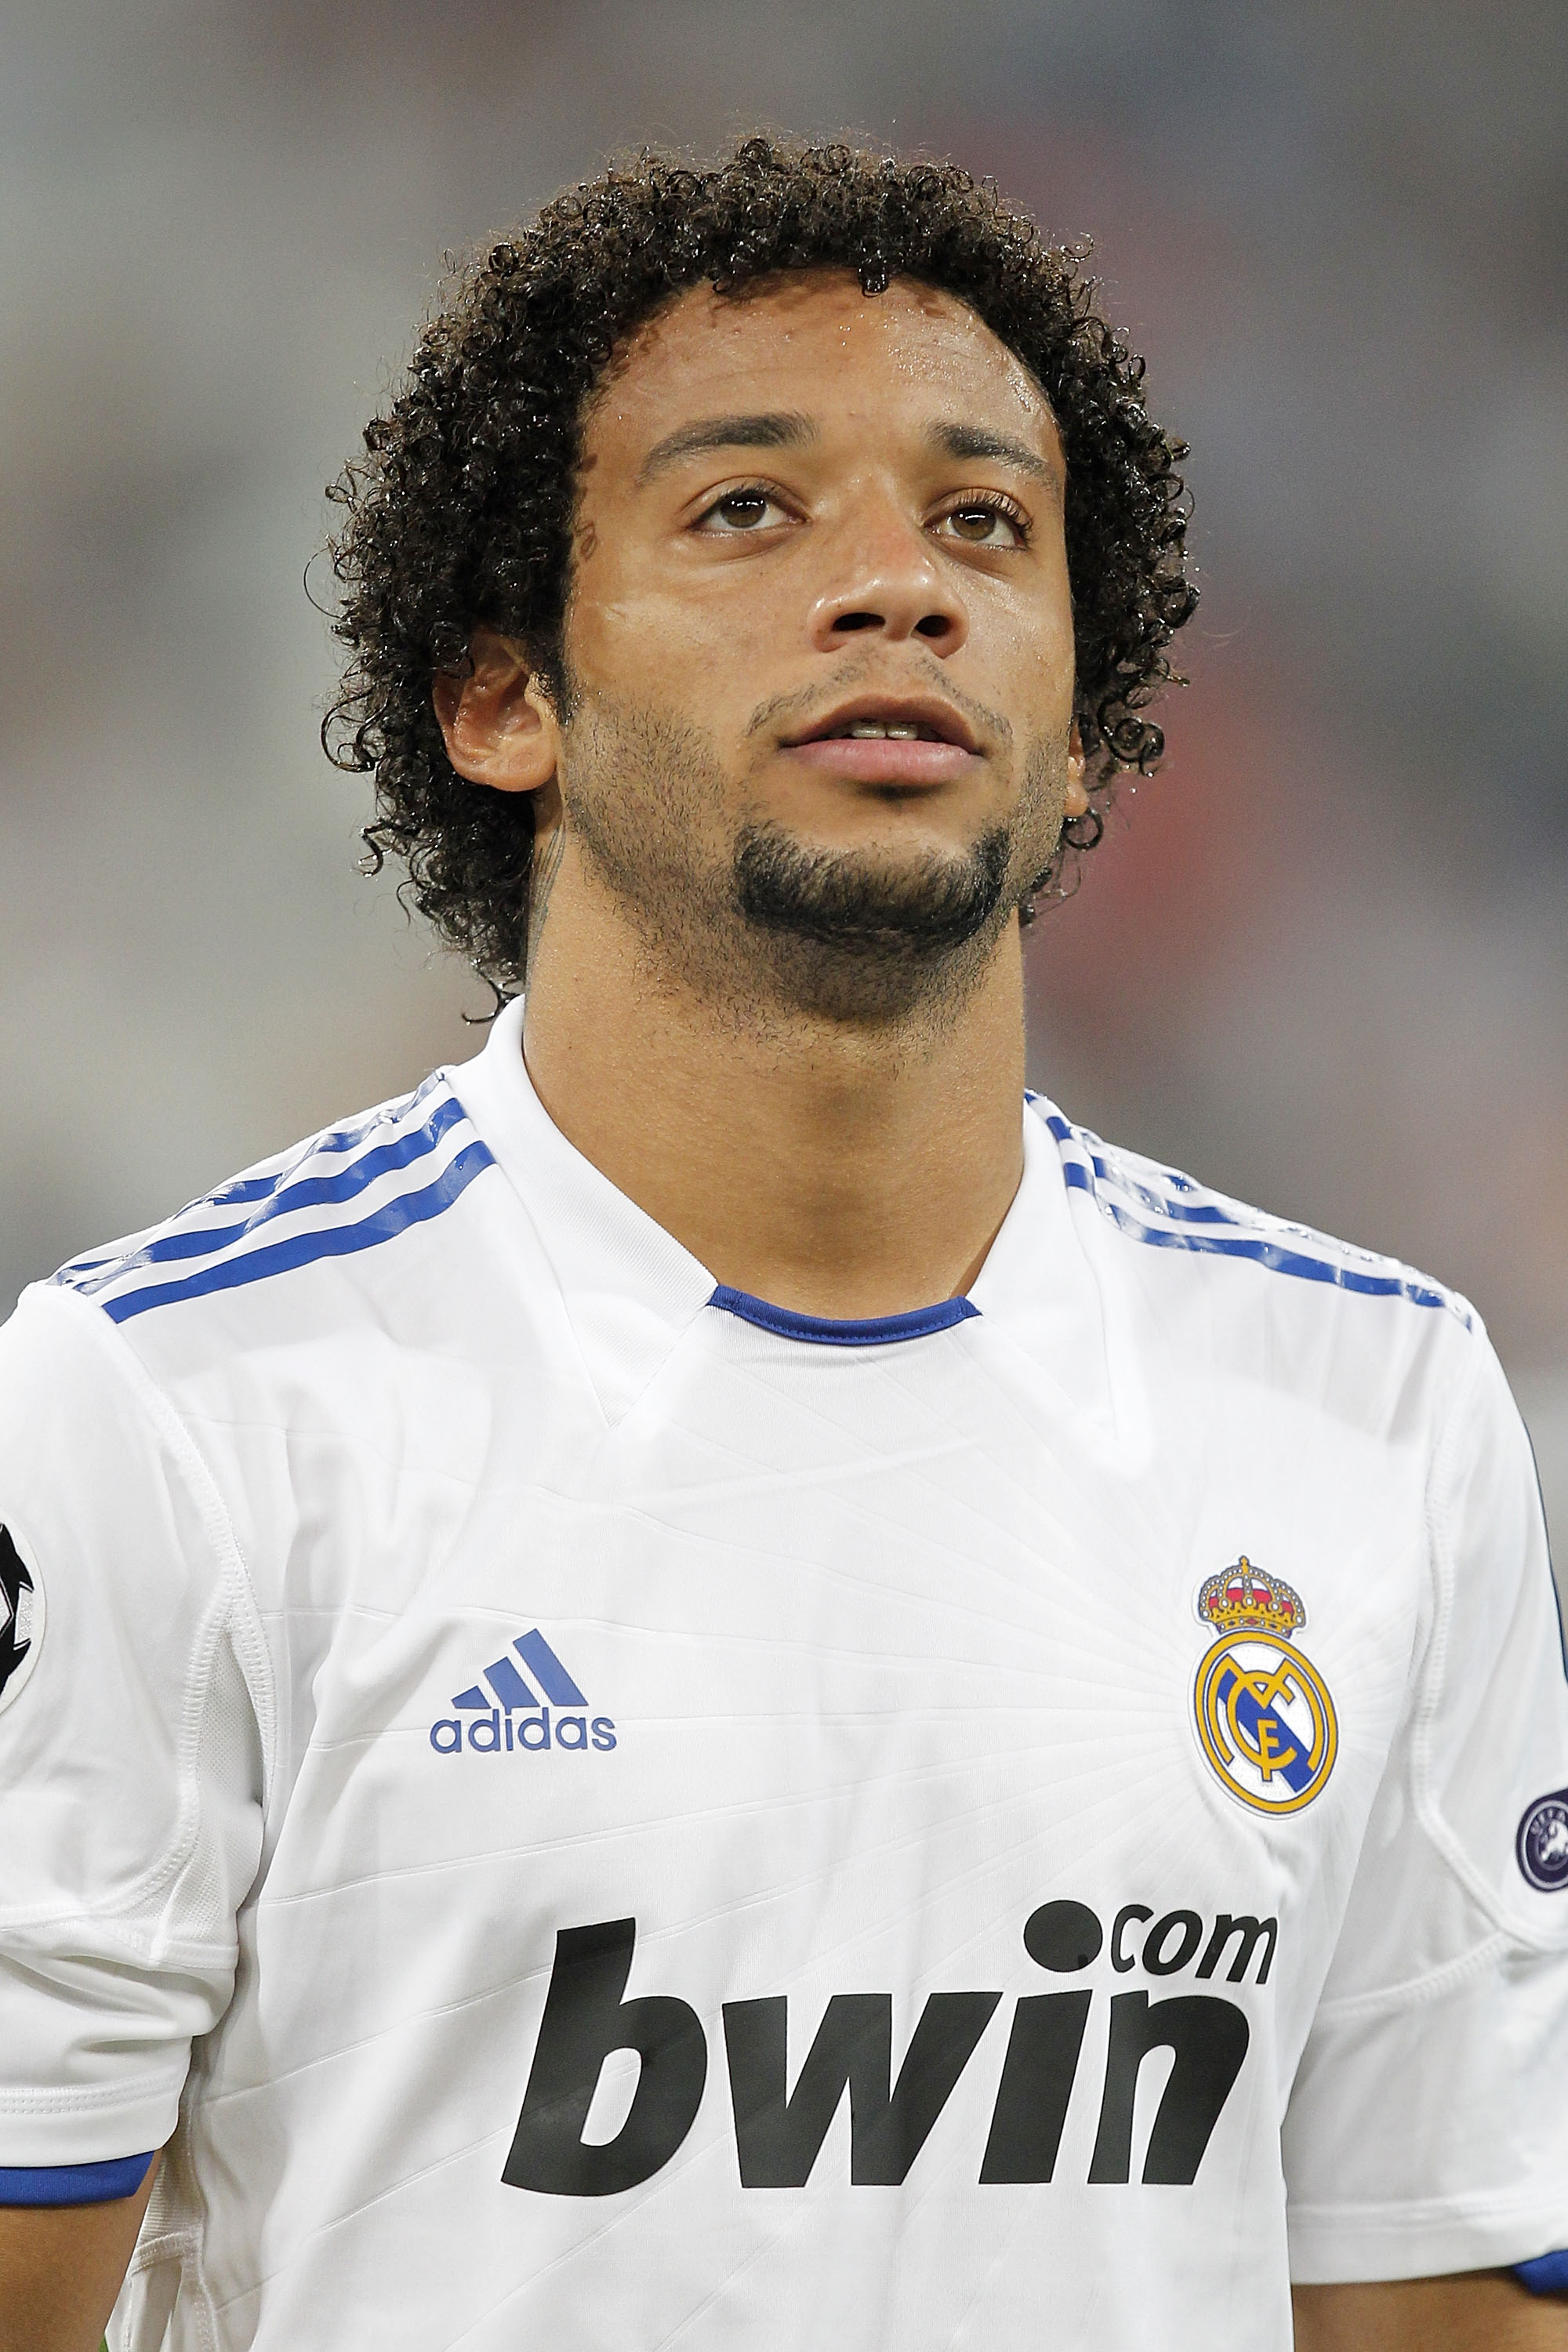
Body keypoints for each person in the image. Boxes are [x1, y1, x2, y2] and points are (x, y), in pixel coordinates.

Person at [0, 138, 1564, 2352]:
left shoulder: (1374, 1411)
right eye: (749, 508)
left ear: (1087, 725)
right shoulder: (175, 1407)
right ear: (501, 697)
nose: (897, 588)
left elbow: (1443, 2310)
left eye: (984, 524)